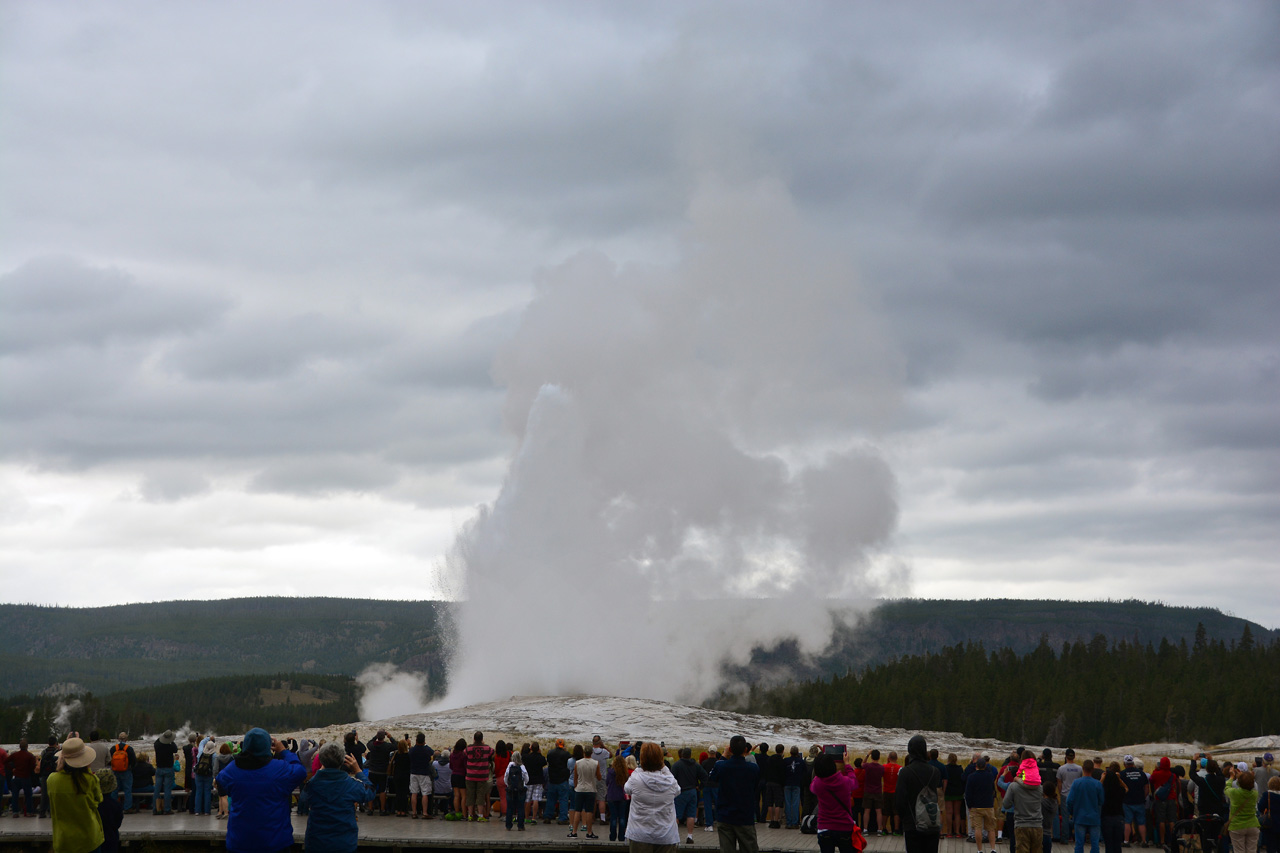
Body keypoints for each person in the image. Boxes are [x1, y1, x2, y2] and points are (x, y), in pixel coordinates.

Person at [217, 727, 307, 853]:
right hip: (275, 842)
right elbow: (301, 771)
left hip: (240, 842)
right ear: (268, 746)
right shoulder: (279, 769)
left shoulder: (231, 770)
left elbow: (220, 779)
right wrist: (284, 751)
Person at [304, 742, 374, 853]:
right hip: (343, 844)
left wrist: (322, 770)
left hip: (317, 843)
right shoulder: (351, 784)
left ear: (321, 761)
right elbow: (370, 792)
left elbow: (307, 792)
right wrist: (358, 771)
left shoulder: (313, 784)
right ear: (342, 761)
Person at [47, 736, 105, 853]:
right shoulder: (90, 779)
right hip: (89, 838)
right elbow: (98, 801)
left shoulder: (52, 780)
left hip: (63, 840)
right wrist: (87, 770)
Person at [625, 741, 682, 853]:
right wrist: (663, 766)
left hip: (639, 834)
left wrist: (640, 767)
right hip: (665, 834)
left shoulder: (636, 778)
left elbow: (627, 789)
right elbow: (677, 791)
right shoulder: (670, 781)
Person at [711, 735, 762, 853]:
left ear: (730, 750)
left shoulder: (721, 766)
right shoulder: (753, 768)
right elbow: (755, 787)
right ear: (745, 749)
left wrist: (724, 755)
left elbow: (712, 777)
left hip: (725, 816)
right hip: (745, 816)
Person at [897, 734, 944, 853]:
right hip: (931, 821)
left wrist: (905, 819)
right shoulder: (935, 771)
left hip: (912, 822)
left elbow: (899, 800)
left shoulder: (905, 773)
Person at [810, 750, 860, 853]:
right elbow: (854, 783)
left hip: (824, 827)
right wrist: (847, 765)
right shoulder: (844, 781)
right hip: (844, 827)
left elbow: (813, 784)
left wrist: (819, 771)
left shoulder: (818, 784)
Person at [1001, 757, 1043, 853]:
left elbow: (1006, 804)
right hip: (1037, 824)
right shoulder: (1039, 787)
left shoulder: (1013, 786)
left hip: (1021, 824)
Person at [672, 747, 709, 843]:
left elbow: (671, 779)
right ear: (690, 755)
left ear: (681, 755)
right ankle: (690, 836)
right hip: (692, 791)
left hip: (680, 792)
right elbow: (705, 777)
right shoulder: (696, 765)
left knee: (676, 815)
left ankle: (674, 836)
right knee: (691, 815)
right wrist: (700, 787)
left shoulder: (677, 765)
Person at [1066, 760, 1104, 853]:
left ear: (1083, 769)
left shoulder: (1076, 783)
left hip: (1079, 817)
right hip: (1094, 817)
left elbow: (1069, 801)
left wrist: (1072, 812)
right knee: (1095, 844)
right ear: (1093, 769)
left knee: (1079, 844)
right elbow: (1102, 801)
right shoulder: (1097, 784)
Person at [966, 755, 1000, 853]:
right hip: (988, 805)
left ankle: (979, 849)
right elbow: (993, 790)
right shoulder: (990, 776)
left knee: (978, 828)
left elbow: (968, 793)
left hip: (976, 806)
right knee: (991, 828)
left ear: (976, 766)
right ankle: (993, 848)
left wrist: (969, 805)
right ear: (985, 765)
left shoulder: (971, 777)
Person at [1223, 770, 1260, 853]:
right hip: (1252, 824)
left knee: (1239, 851)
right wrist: (1244, 776)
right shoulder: (1254, 794)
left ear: (1239, 783)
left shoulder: (1234, 793)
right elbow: (1251, 784)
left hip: (1237, 825)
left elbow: (1226, 788)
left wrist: (1232, 777)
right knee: (1252, 850)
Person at [570, 744, 601, 838]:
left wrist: (576, 786)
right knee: (589, 811)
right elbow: (599, 777)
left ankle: (574, 832)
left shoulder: (578, 763)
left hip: (579, 788)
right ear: (591, 753)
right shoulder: (595, 763)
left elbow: (575, 777)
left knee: (577, 810)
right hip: (591, 789)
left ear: (584, 753)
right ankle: (589, 832)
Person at [1118, 756, 1149, 847]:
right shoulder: (1141, 774)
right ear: (1133, 763)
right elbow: (1147, 788)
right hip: (1139, 801)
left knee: (1127, 822)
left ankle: (1126, 841)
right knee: (1141, 822)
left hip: (1127, 801)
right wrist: (1143, 797)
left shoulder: (1122, 774)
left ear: (1124, 764)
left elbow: (1120, 788)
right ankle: (1144, 841)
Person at [464, 731, 494, 822]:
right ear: (482, 739)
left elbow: (464, 753)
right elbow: (492, 751)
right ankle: (480, 815)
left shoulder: (468, 749)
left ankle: (470, 814)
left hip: (470, 775)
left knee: (470, 795)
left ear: (474, 739)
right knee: (480, 796)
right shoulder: (487, 748)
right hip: (482, 775)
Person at [365, 730, 394, 816]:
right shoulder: (386, 746)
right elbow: (396, 745)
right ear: (384, 737)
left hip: (372, 771)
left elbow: (369, 742)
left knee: (371, 789)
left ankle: (370, 809)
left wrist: (376, 736)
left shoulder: (372, 746)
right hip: (382, 771)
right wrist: (390, 737)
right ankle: (382, 809)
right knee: (382, 790)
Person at [95, 769, 124, 853]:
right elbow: (117, 823)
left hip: (95, 838)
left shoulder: (92, 803)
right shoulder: (116, 805)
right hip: (111, 838)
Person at [407, 733, 435, 819]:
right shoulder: (426, 750)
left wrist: (410, 744)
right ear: (424, 741)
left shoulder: (412, 750)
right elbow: (432, 752)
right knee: (425, 793)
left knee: (414, 793)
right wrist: (425, 745)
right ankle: (425, 812)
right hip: (424, 773)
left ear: (416, 740)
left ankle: (414, 812)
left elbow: (409, 754)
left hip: (413, 772)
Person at [546, 738, 573, 825]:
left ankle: (548, 816)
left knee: (550, 800)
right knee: (563, 800)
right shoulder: (566, 754)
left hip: (552, 779)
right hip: (562, 780)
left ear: (555, 745)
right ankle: (562, 818)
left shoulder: (550, 753)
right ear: (563, 745)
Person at [9, 738, 37, 818]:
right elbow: (32, 766)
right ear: (27, 747)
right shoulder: (29, 756)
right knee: (28, 794)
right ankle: (29, 811)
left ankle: (15, 812)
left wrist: (13, 769)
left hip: (16, 776)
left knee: (15, 795)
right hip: (25, 776)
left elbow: (10, 763)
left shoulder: (15, 755)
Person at [108, 733, 135, 813]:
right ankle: (127, 807)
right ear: (126, 739)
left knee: (114, 789)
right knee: (127, 790)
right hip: (126, 771)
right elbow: (133, 761)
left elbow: (109, 760)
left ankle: (113, 807)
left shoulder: (113, 748)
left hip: (115, 771)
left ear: (118, 739)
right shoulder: (129, 749)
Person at [152, 730, 178, 816]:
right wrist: (172, 741)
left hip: (159, 769)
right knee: (167, 790)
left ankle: (155, 809)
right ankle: (167, 809)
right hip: (168, 769)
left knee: (157, 789)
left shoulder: (157, 745)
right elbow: (176, 749)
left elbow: (156, 741)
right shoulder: (170, 746)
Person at [608, 753, 631, 842]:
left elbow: (607, 782)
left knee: (613, 817)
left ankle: (612, 836)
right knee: (622, 817)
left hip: (611, 796)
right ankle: (622, 836)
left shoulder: (610, 772)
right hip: (622, 796)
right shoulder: (625, 773)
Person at [783, 746, 807, 830]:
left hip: (787, 784)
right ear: (797, 753)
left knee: (788, 803)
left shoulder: (785, 761)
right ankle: (795, 822)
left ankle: (788, 823)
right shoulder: (801, 761)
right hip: (797, 784)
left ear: (790, 752)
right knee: (796, 803)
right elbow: (805, 773)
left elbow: (782, 772)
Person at [864, 749, 886, 835]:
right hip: (878, 791)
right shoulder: (881, 768)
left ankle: (865, 829)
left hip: (868, 790)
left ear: (872, 757)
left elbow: (862, 764)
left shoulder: (868, 766)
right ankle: (879, 829)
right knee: (879, 811)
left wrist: (867, 755)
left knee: (867, 810)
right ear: (879, 757)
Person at [38, 736, 60, 818]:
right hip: (54, 774)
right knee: (53, 793)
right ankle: (52, 812)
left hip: (45, 775)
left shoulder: (44, 752)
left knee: (44, 794)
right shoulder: (57, 751)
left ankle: (42, 812)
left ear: (48, 743)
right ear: (56, 743)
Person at [505, 751, 529, 831]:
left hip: (510, 789)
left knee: (510, 808)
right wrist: (524, 784)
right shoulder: (522, 766)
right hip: (520, 790)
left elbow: (506, 776)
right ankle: (520, 826)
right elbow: (526, 778)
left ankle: (508, 825)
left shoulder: (510, 765)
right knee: (520, 808)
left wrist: (508, 784)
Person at [524, 742, 547, 824]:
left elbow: (523, 755)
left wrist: (528, 749)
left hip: (529, 780)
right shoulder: (540, 758)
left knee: (528, 799)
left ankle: (526, 817)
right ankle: (534, 818)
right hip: (538, 780)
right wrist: (540, 754)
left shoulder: (527, 757)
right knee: (536, 799)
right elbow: (544, 762)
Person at [944, 754, 966, 838]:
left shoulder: (946, 768)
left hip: (949, 792)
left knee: (949, 812)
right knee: (957, 813)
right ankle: (957, 832)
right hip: (958, 792)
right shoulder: (960, 768)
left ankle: (949, 832)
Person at [389, 738, 411, 816]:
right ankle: (404, 810)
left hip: (397, 775)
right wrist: (410, 745)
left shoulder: (396, 754)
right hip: (405, 775)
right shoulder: (408, 755)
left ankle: (398, 810)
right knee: (404, 794)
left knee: (398, 793)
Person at [193, 740, 216, 815]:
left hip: (199, 774)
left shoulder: (201, 752)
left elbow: (200, 744)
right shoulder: (214, 755)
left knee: (198, 792)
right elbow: (214, 766)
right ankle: (207, 811)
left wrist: (207, 738)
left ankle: (197, 811)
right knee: (207, 792)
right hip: (208, 775)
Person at [702, 747, 722, 832]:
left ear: (708, 752)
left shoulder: (704, 763)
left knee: (707, 805)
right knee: (718, 804)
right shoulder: (719, 763)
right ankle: (720, 822)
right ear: (716, 752)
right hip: (717, 786)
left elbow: (702, 774)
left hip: (707, 785)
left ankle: (709, 824)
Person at [884, 750, 903, 836]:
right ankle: (896, 829)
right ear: (897, 758)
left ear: (889, 758)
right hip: (895, 791)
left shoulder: (884, 766)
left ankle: (883, 828)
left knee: (885, 811)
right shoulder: (900, 768)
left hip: (886, 791)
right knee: (896, 812)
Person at [213, 742, 235, 819]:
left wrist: (215, 778)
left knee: (221, 796)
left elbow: (215, 769)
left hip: (220, 777)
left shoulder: (217, 758)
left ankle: (220, 812)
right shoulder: (231, 758)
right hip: (228, 778)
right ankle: (226, 812)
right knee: (225, 796)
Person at [449, 738, 468, 818]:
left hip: (454, 775)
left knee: (456, 795)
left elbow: (451, 766)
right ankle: (464, 814)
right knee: (464, 796)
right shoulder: (463, 755)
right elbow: (465, 766)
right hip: (462, 775)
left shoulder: (452, 755)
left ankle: (457, 812)